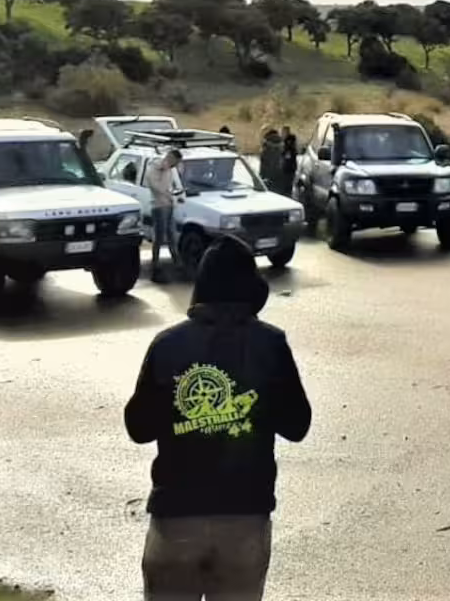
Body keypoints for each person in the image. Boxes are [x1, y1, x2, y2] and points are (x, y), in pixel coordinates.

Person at [125, 234, 312, 601]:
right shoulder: (271, 345)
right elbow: (297, 425)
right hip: (245, 518)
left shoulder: (167, 345)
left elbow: (139, 428)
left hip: (176, 516)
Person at [145, 147, 186, 282]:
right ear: (170, 157)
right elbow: (155, 186)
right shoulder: (155, 168)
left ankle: (178, 263)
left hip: (169, 204)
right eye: (175, 162)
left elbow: (174, 185)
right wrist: (169, 194)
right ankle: (155, 265)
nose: (175, 165)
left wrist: (177, 195)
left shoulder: (170, 170)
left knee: (172, 235)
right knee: (159, 237)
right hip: (159, 206)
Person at [279, 131, 299, 199]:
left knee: (287, 185)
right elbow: (287, 158)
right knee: (287, 185)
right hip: (288, 170)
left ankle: (286, 195)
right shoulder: (290, 150)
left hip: (288, 169)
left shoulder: (289, 149)